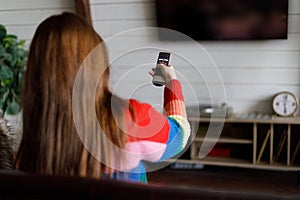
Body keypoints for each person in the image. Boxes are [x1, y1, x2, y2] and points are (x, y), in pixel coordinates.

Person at [16, 12, 190, 183]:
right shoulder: (130, 118)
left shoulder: (33, 140)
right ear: (96, 64)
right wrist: (171, 82)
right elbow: (179, 135)